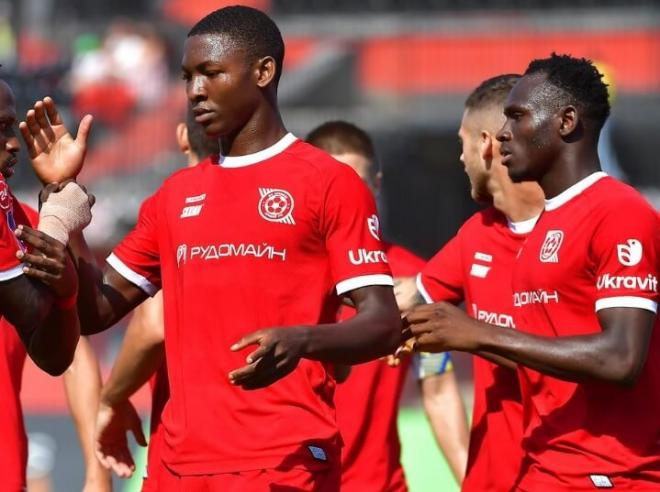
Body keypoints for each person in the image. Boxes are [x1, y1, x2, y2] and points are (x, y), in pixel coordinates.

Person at [20, 6, 401, 491]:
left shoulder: (330, 183)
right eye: (187, 77)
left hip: (284, 462)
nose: (195, 90)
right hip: (179, 468)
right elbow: (95, 309)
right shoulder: (174, 197)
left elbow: (383, 322)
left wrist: (303, 340)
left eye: (211, 73)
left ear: (264, 72)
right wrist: (64, 196)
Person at [406, 54, 659, 490]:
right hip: (542, 472)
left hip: (614, 477)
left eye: (518, 117)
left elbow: (621, 358)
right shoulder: (536, 231)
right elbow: (534, 352)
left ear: (564, 121)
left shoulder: (621, 212)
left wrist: (476, 334)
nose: (502, 135)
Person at [306, 120, 469, 490]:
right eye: (329, 186)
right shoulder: (273, 270)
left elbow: (439, 388)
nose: (342, 200)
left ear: (376, 185)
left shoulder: (415, 279)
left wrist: (475, 483)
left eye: (355, 186)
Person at [405, 74, 545, 491]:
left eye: (461, 143)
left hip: (576, 474)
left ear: (485, 143)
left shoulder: (596, 226)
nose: (460, 158)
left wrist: (474, 335)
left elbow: (608, 361)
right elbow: (409, 297)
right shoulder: (478, 233)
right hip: (493, 479)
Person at [92, 109, 220, 490]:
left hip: (189, 452)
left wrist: (111, 397)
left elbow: (152, 324)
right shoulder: (276, 200)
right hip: (281, 450)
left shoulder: (176, 203)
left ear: (183, 136)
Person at [0, 82, 105, 490]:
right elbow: (29, 307)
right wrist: (59, 217)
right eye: (1, 127)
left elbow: (79, 325)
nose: (14, 144)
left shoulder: (24, 223)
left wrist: (61, 192)